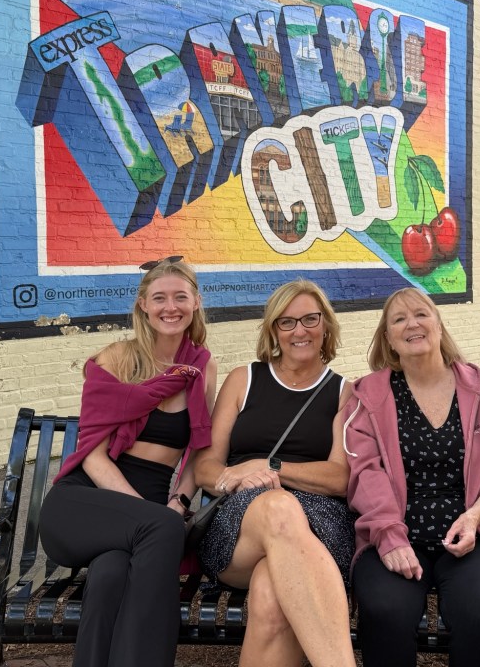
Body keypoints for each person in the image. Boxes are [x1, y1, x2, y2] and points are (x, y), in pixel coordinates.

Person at [39, 258, 218, 667]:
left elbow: (197, 451)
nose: (169, 307)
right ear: (142, 305)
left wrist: (181, 503)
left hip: (147, 520)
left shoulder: (201, 368)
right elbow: (94, 456)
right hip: (84, 501)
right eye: (159, 298)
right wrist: (154, 516)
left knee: (110, 575)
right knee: (161, 528)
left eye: (180, 297)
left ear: (196, 302)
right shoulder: (118, 358)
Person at [342, 287, 480, 667]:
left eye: (421, 314)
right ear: (388, 339)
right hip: (393, 536)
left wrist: (475, 516)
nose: (412, 323)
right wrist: (389, 536)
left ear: (439, 325)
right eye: (398, 319)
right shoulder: (368, 396)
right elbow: (365, 472)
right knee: (383, 612)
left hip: (473, 537)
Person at [194, 280, 356, 667]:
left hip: (321, 522)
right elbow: (204, 467)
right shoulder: (243, 379)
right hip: (241, 523)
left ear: (326, 326)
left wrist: (272, 466)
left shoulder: (343, 392)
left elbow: (340, 478)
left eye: (310, 319)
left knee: (272, 599)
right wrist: (232, 477)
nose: (299, 331)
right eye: (287, 322)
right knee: (279, 508)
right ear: (273, 331)